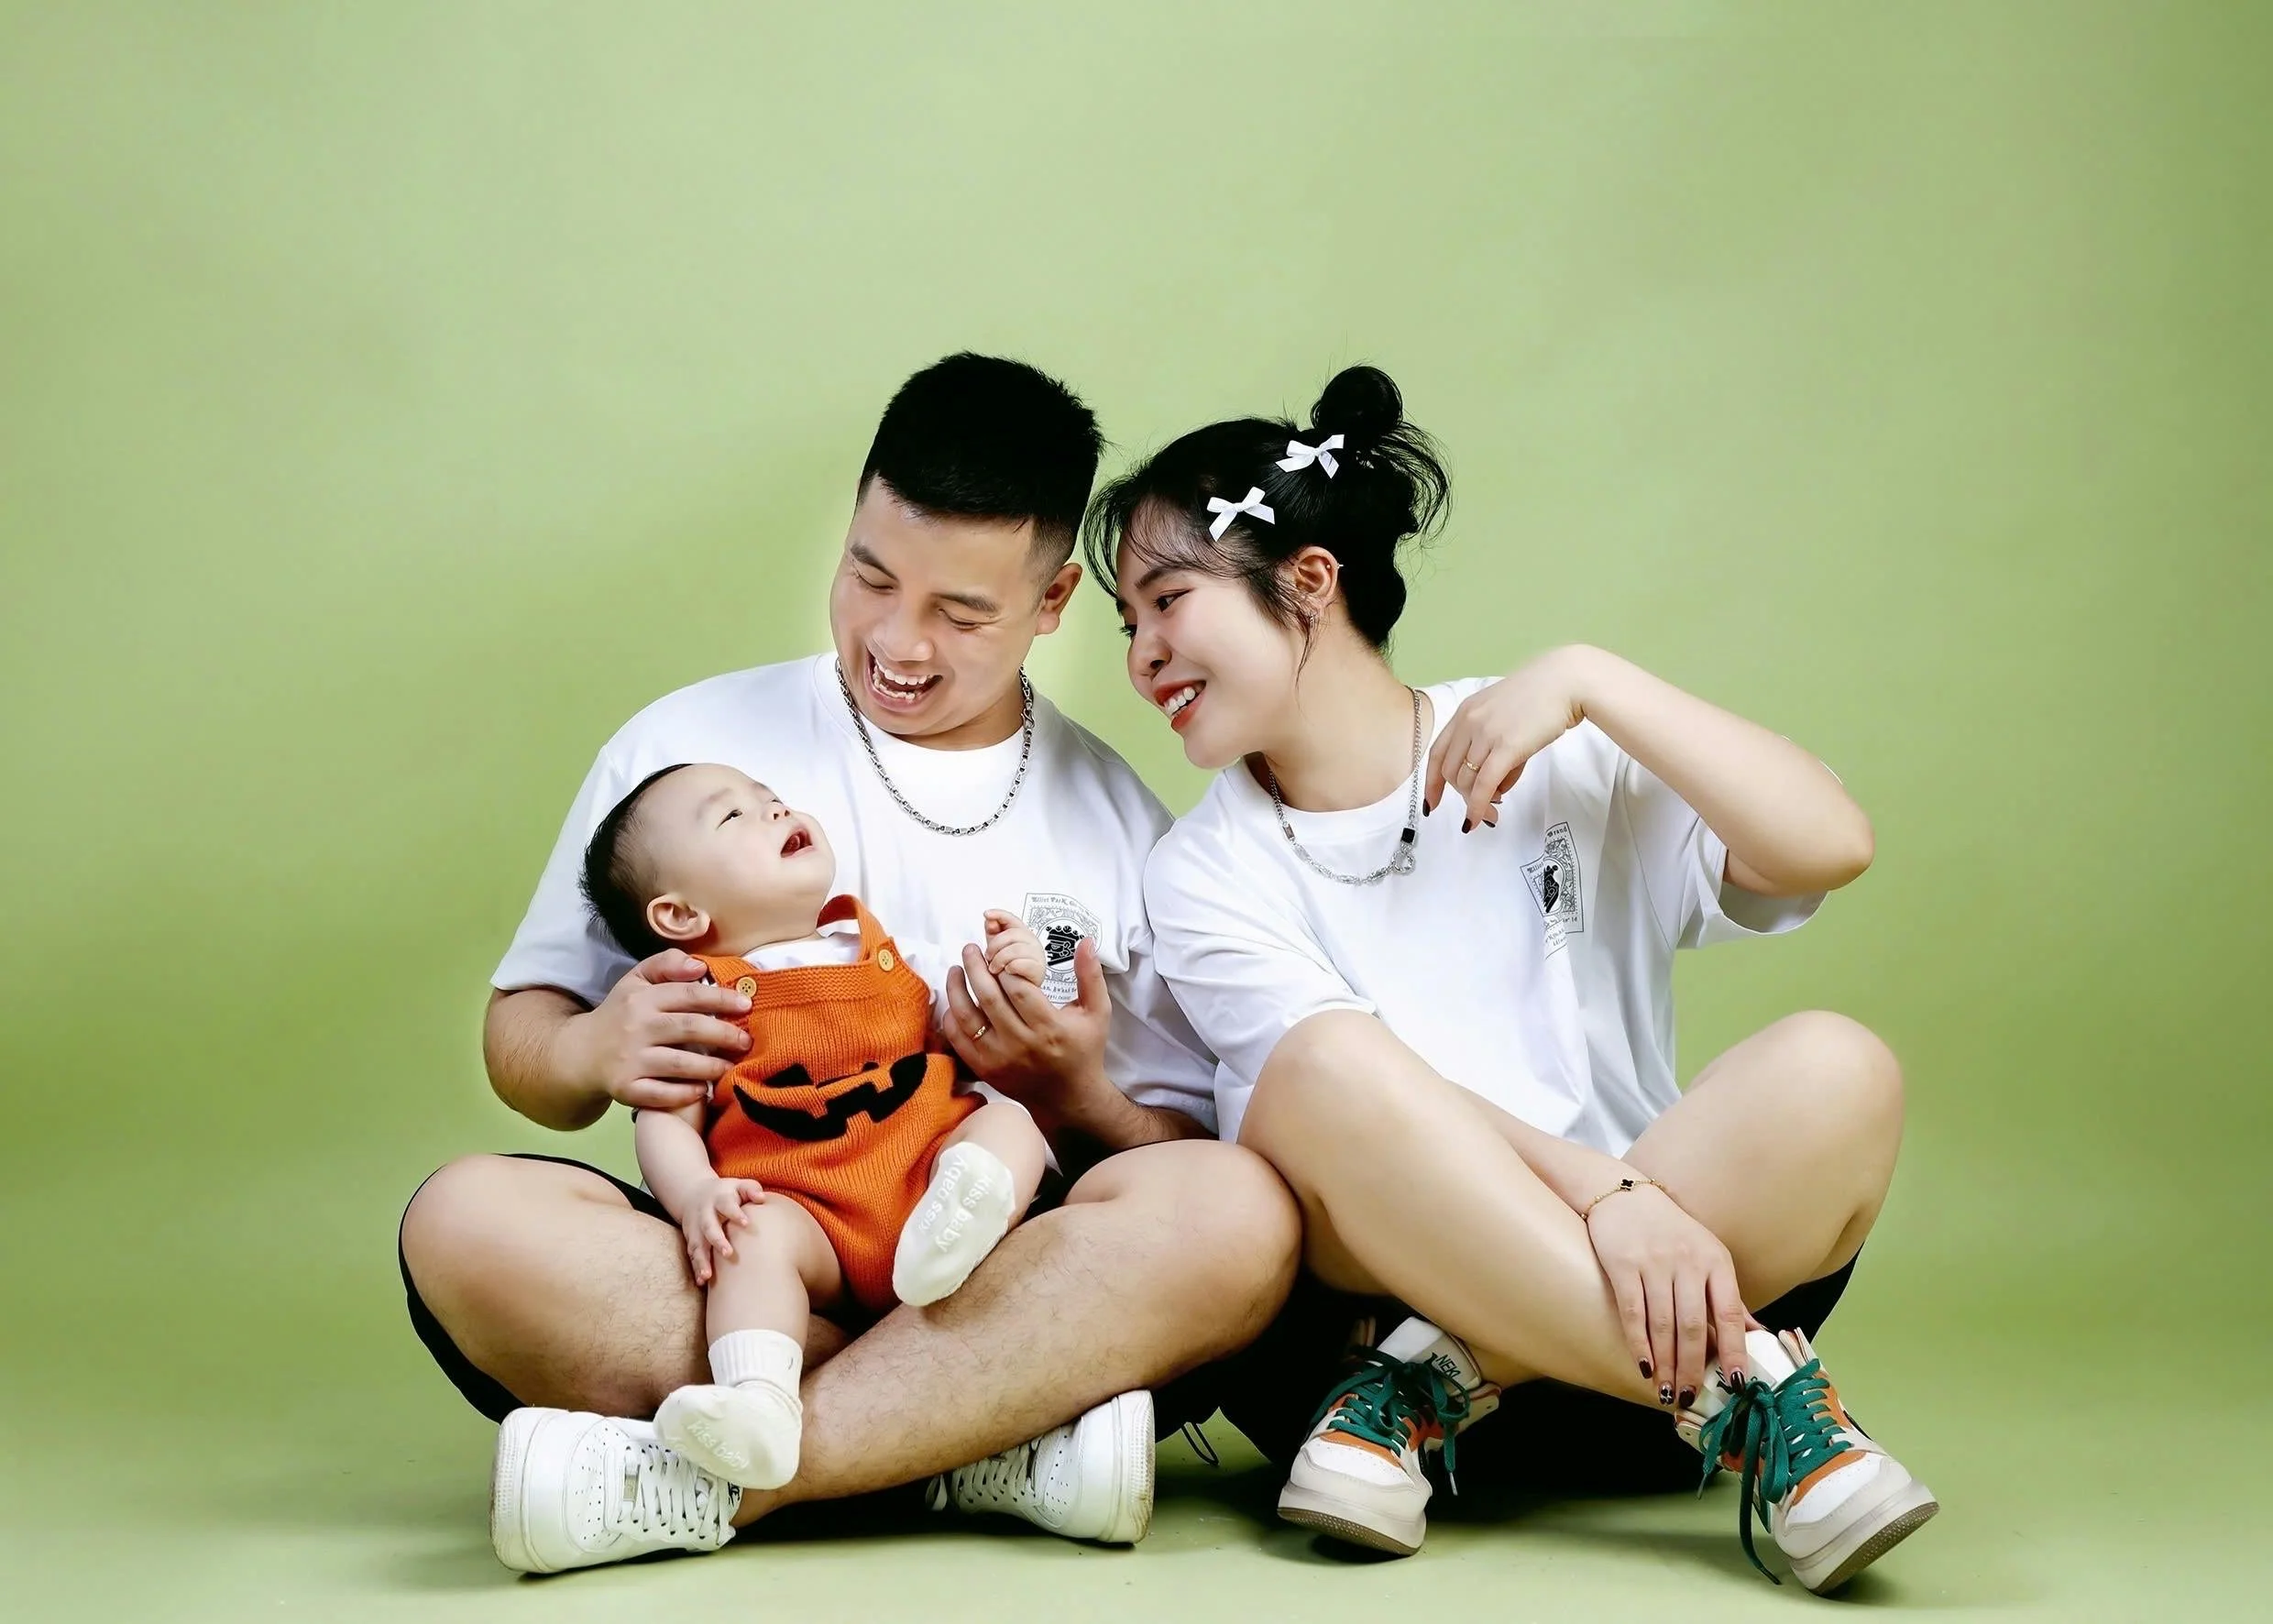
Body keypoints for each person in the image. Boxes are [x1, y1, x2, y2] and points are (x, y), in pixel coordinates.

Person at [399, 354, 1300, 1576]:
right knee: (467, 1223)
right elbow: (526, 1051)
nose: (897, 641)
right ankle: (984, 1447)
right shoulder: (689, 751)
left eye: (962, 613)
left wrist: (1068, 1089)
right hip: (756, 1259)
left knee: (1241, 1220)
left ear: (1051, 606)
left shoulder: (1118, 828)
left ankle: (711, 1481)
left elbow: (1181, 1159)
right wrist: (589, 1045)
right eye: (871, 575)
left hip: (993, 1276)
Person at [1089, 364, 1936, 1593]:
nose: (1143, 655)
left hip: (1485, 1390)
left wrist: (1600, 681)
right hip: (1374, 1344)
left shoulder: (1550, 740)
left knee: (1840, 1067)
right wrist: (1616, 1196)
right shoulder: (1202, 872)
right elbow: (1344, 1107)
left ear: (1309, 582)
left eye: (1167, 599)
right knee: (1319, 1068)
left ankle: (1446, 1371)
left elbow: (1828, 842)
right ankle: (1756, 1405)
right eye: (1127, 624)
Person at [555, 763, 1051, 1506]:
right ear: (681, 917)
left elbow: (960, 1034)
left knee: (1008, 1120)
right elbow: (666, 1117)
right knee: (749, 1240)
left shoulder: (882, 944)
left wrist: (1013, 980)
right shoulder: (697, 1000)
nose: (774, 809)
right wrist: (696, 1194)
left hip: (927, 1174)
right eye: (733, 818)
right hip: (809, 1220)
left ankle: (971, 1212)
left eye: (771, 798)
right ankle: (758, 1398)